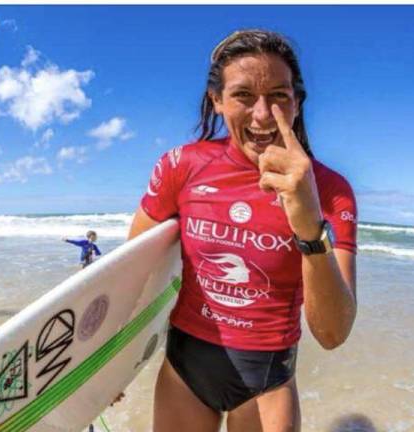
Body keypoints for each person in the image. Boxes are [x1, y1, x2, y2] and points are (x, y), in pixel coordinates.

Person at [127, 30, 358, 432]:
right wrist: (107, 372)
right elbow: (132, 277)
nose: (263, 114)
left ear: (297, 103)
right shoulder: (181, 166)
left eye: (279, 96)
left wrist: (308, 225)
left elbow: (332, 332)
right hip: (187, 370)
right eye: (244, 95)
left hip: (265, 382)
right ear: (216, 100)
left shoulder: (331, 192)